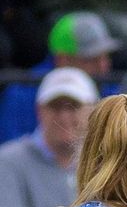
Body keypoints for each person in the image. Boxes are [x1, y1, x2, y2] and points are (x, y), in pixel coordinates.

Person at [0, 67, 98, 207]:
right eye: (55, 107)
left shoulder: (104, 162)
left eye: (73, 106)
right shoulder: (8, 160)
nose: (64, 116)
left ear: (93, 110)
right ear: (39, 111)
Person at [0, 10, 120, 144]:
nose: (103, 66)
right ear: (63, 60)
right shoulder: (22, 93)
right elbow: (9, 151)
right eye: (91, 59)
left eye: (105, 56)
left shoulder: (108, 87)